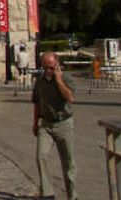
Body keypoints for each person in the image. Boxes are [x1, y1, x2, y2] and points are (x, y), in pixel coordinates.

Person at [31, 51, 78, 200]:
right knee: (41, 156)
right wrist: (35, 123)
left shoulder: (66, 79)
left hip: (64, 124)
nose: (47, 71)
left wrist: (58, 80)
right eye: (44, 67)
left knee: (68, 162)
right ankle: (47, 193)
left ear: (57, 65)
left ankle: (73, 194)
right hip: (46, 124)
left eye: (51, 67)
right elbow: (37, 103)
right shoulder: (39, 81)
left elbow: (70, 97)